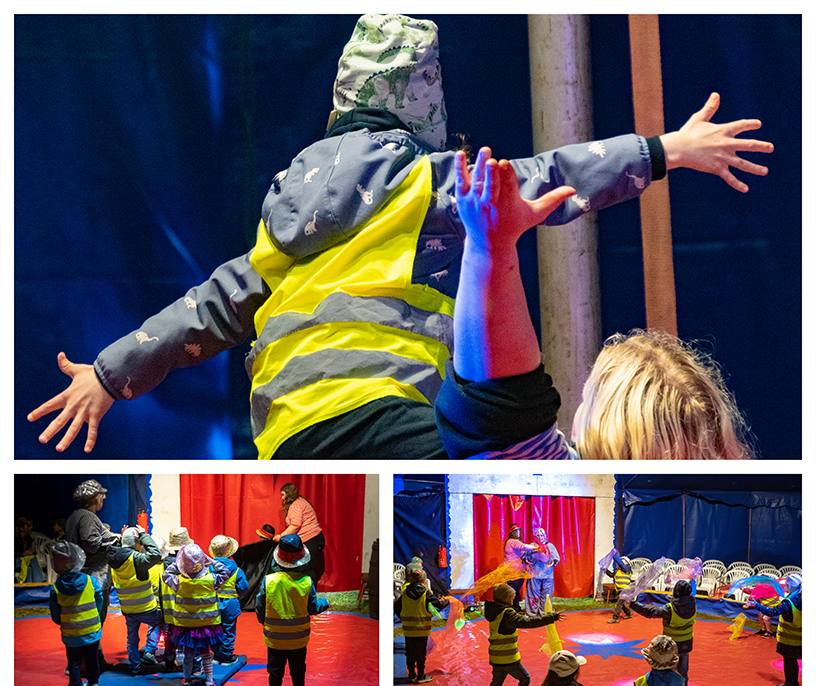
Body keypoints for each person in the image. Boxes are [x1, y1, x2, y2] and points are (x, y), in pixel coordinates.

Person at [27, 15, 772, 462]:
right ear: (425, 113)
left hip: (288, 433)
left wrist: (110, 375)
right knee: (499, 452)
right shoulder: (428, 181)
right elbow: (552, 175)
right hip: (383, 410)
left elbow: (205, 308)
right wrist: (666, 150)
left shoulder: (281, 221)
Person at [434, 134, 764, 459]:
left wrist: (489, 246)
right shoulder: (734, 492)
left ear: (602, 426)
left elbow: (502, 408)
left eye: (589, 397)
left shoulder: (563, 485)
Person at [255, 534, 329, 686]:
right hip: (298, 639)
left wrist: (265, 622)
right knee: (298, 672)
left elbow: (260, 607)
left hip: (274, 639)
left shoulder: (269, 581)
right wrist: (325, 602)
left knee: (275, 673)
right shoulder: (307, 582)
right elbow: (313, 608)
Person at [64, 479, 120, 669]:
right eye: (101, 495)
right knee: (94, 620)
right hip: (94, 577)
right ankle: (87, 665)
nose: (103, 499)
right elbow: (91, 544)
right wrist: (115, 541)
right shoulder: (87, 517)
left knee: (86, 621)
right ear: (95, 498)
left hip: (84, 575)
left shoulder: (76, 515)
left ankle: (87, 662)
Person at [162, 543, 230, 686]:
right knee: (206, 654)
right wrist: (212, 561)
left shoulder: (178, 581)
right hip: (206, 626)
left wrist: (178, 564)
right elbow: (225, 572)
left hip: (186, 626)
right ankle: (209, 681)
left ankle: (187, 680)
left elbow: (166, 574)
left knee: (188, 654)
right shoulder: (212, 579)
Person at [485, 582, 563, 686]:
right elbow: (528, 622)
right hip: (507, 658)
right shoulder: (508, 614)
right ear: (506, 598)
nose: (513, 600)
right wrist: (550, 617)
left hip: (495, 657)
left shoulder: (495, 612)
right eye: (512, 598)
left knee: (497, 682)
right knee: (525, 678)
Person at [108, 526, 163, 675]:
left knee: (132, 638)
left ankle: (134, 667)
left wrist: (122, 538)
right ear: (137, 542)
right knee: (158, 623)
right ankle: (149, 652)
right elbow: (156, 555)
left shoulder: (113, 557)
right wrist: (144, 535)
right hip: (146, 607)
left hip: (127, 608)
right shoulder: (137, 559)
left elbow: (120, 551)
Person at [49, 541, 103, 686]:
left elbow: (55, 615)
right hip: (91, 631)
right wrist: (95, 615)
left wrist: (64, 622)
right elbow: (99, 599)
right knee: (92, 659)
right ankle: (93, 683)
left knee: (74, 662)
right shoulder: (91, 581)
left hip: (71, 634)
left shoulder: (56, 588)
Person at [629, 579, 696, 685]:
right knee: (683, 671)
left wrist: (632, 604)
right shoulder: (692, 605)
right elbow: (682, 604)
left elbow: (649, 612)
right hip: (686, 644)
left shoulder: (669, 609)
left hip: (671, 646)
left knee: (668, 671)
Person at [394, 563, 447, 684]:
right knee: (421, 653)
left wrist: (403, 618)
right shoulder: (426, 593)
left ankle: (411, 674)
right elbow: (439, 604)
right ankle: (421, 676)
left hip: (408, 630)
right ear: (423, 580)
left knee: (410, 652)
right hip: (422, 630)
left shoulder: (404, 593)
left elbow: (397, 607)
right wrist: (447, 601)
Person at [754, 573, 801, 686]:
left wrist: (756, 604)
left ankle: (791, 684)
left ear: (789, 586)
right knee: (793, 661)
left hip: (790, 639)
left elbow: (771, 612)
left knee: (790, 661)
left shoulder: (789, 602)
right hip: (800, 638)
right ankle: (792, 683)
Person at [273, 483, 325, 585]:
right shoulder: (300, 501)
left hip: (310, 539)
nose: (282, 498)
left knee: (308, 569)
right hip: (313, 539)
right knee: (307, 568)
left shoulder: (296, 505)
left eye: (283, 495)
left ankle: (309, 592)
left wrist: (281, 537)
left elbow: (295, 526)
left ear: (288, 494)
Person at [209, 534, 249, 665]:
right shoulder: (237, 570)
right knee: (228, 630)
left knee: (214, 629)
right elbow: (243, 588)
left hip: (211, 604)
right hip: (230, 606)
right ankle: (226, 656)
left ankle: (216, 655)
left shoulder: (208, 569)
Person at [159, 527, 194, 672]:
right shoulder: (189, 565)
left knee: (169, 636)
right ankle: (191, 666)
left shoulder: (162, 565)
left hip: (168, 609)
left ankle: (169, 662)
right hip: (185, 608)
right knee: (189, 636)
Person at [503, 524, 540, 611]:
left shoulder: (512, 542)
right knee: (513, 591)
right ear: (513, 533)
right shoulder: (513, 541)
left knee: (514, 591)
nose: (519, 533)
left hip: (516, 571)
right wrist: (538, 547)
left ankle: (516, 608)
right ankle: (513, 609)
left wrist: (525, 560)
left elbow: (520, 554)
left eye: (519, 531)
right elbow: (523, 547)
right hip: (513, 572)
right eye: (516, 531)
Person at [524, 528, 559, 617]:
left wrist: (553, 562)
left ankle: (545, 612)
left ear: (545, 536)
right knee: (533, 594)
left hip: (547, 575)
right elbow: (525, 557)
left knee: (547, 595)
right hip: (535, 574)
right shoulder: (532, 546)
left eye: (542, 535)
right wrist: (526, 560)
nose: (540, 537)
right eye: (538, 535)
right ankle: (531, 613)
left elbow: (556, 558)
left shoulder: (550, 546)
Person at [606, 555, 634, 624]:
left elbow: (621, 564)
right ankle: (628, 613)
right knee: (623, 603)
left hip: (626, 590)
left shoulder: (627, 569)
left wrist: (615, 555)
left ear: (627, 562)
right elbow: (611, 575)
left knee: (618, 604)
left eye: (623, 560)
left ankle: (615, 618)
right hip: (619, 590)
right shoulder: (618, 572)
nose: (621, 561)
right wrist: (605, 570)